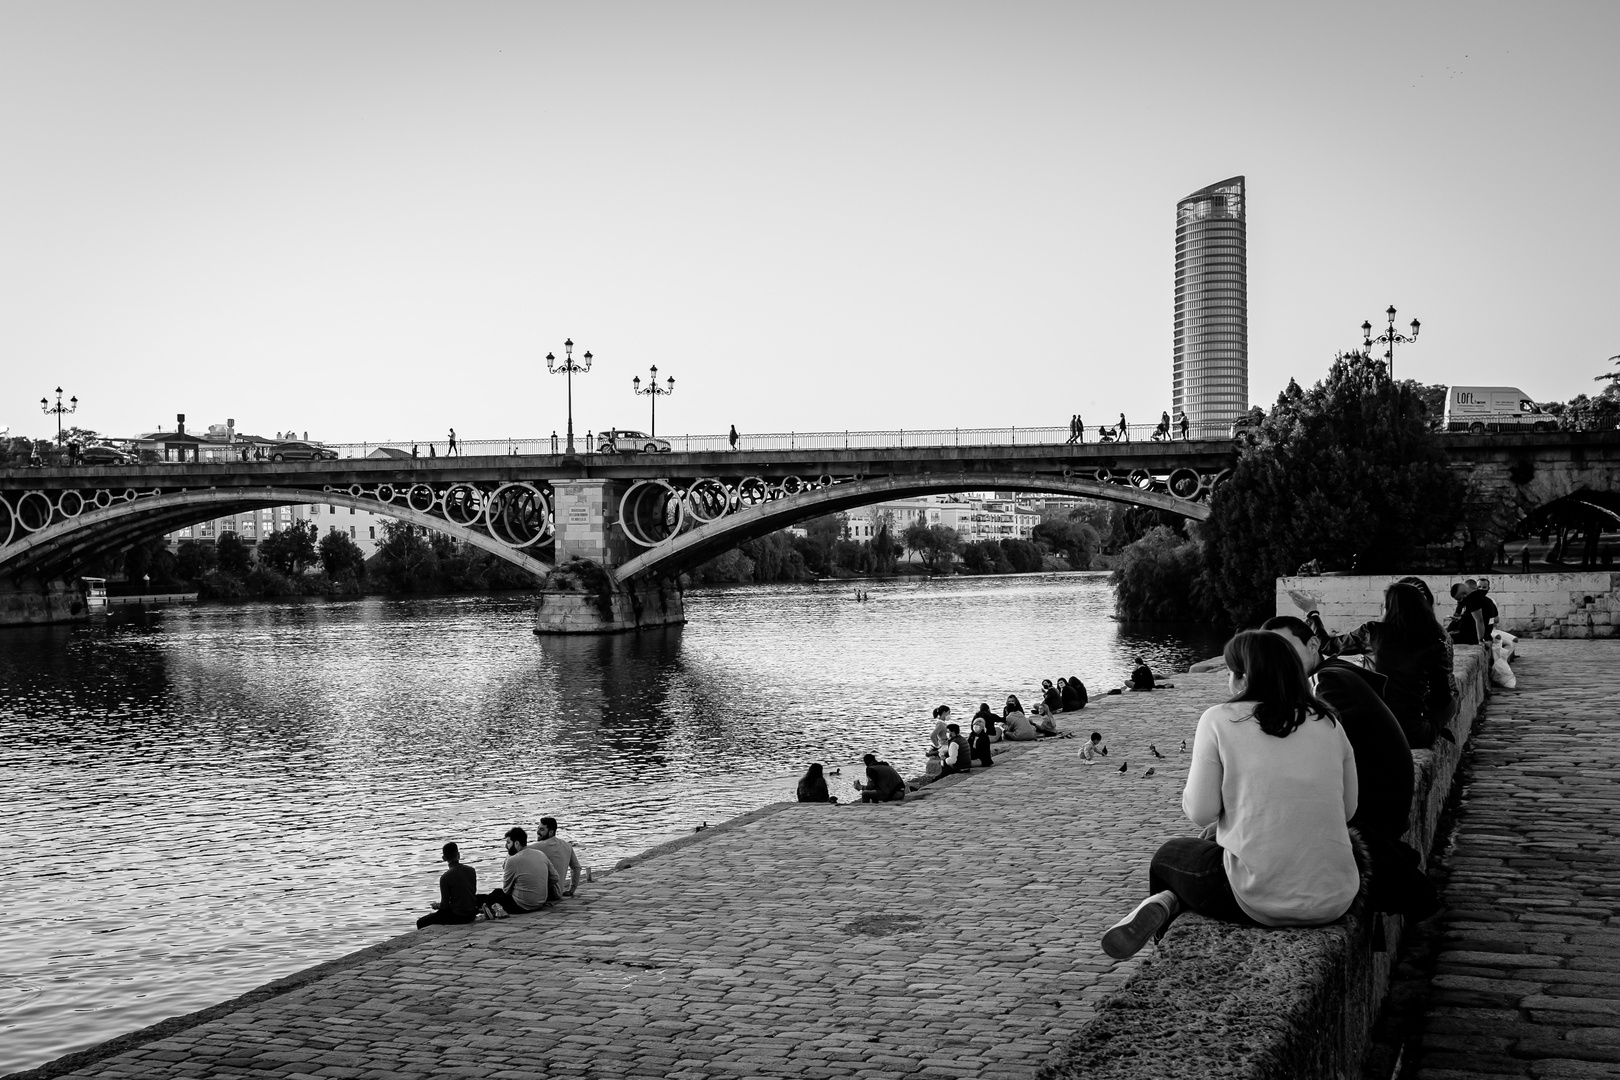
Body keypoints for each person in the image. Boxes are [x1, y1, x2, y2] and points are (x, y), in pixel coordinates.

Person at [1099, 631, 1359, 960]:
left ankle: (1170, 948)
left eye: (1230, 672)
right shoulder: (1329, 723)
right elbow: (1347, 810)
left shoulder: (1220, 719)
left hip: (1260, 898)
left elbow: (1201, 811)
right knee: (1213, 841)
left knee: (1169, 857)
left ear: (1244, 677)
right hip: (1335, 896)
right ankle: (1172, 902)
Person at [1261, 616, 1414, 842]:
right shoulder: (1337, 673)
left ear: (1313, 645)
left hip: (1370, 821)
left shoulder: (1325, 682)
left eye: (1285, 649)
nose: (1279, 660)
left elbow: (1308, 758)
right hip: (1384, 811)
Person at [1310, 583, 1456, 749]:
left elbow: (1327, 645)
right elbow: (1441, 698)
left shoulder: (1373, 632)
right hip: (1413, 734)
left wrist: (1312, 613)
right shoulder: (1434, 641)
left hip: (1378, 729)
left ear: (1389, 608)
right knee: (1452, 701)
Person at [475, 827, 559, 918]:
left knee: (480, 899)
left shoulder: (513, 860)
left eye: (508, 843)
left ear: (517, 843)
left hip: (521, 905)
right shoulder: (541, 854)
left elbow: (506, 890)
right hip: (540, 902)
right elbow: (555, 878)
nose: (506, 846)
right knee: (496, 892)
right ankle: (490, 908)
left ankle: (483, 909)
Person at [416, 842, 479, 929]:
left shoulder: (445, 877)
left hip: (459, 916)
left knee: (420, 922)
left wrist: (437, 906)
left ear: (443, 858)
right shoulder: (471, 870)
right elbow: (468, 894)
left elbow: (444, 907)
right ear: (459, 855)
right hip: (471, 913)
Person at [534, 816, 584, 898]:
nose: (538, 832)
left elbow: (519, 851)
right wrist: (572, 889)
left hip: (548, 892)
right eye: (538, 828)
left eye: (542, 829)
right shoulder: (567, 846)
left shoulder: (541, 845)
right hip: (558, 892)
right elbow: (576, 868)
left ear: (550, 832)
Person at [1447, 580, 1498, 646]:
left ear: (1464, 594)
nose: (1459, 602)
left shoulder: (1473, 599)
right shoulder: (1484, 598)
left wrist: (1481, 640)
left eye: (1459, 599)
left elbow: (1479, 620)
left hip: (1471, 637)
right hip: (1473, 634)